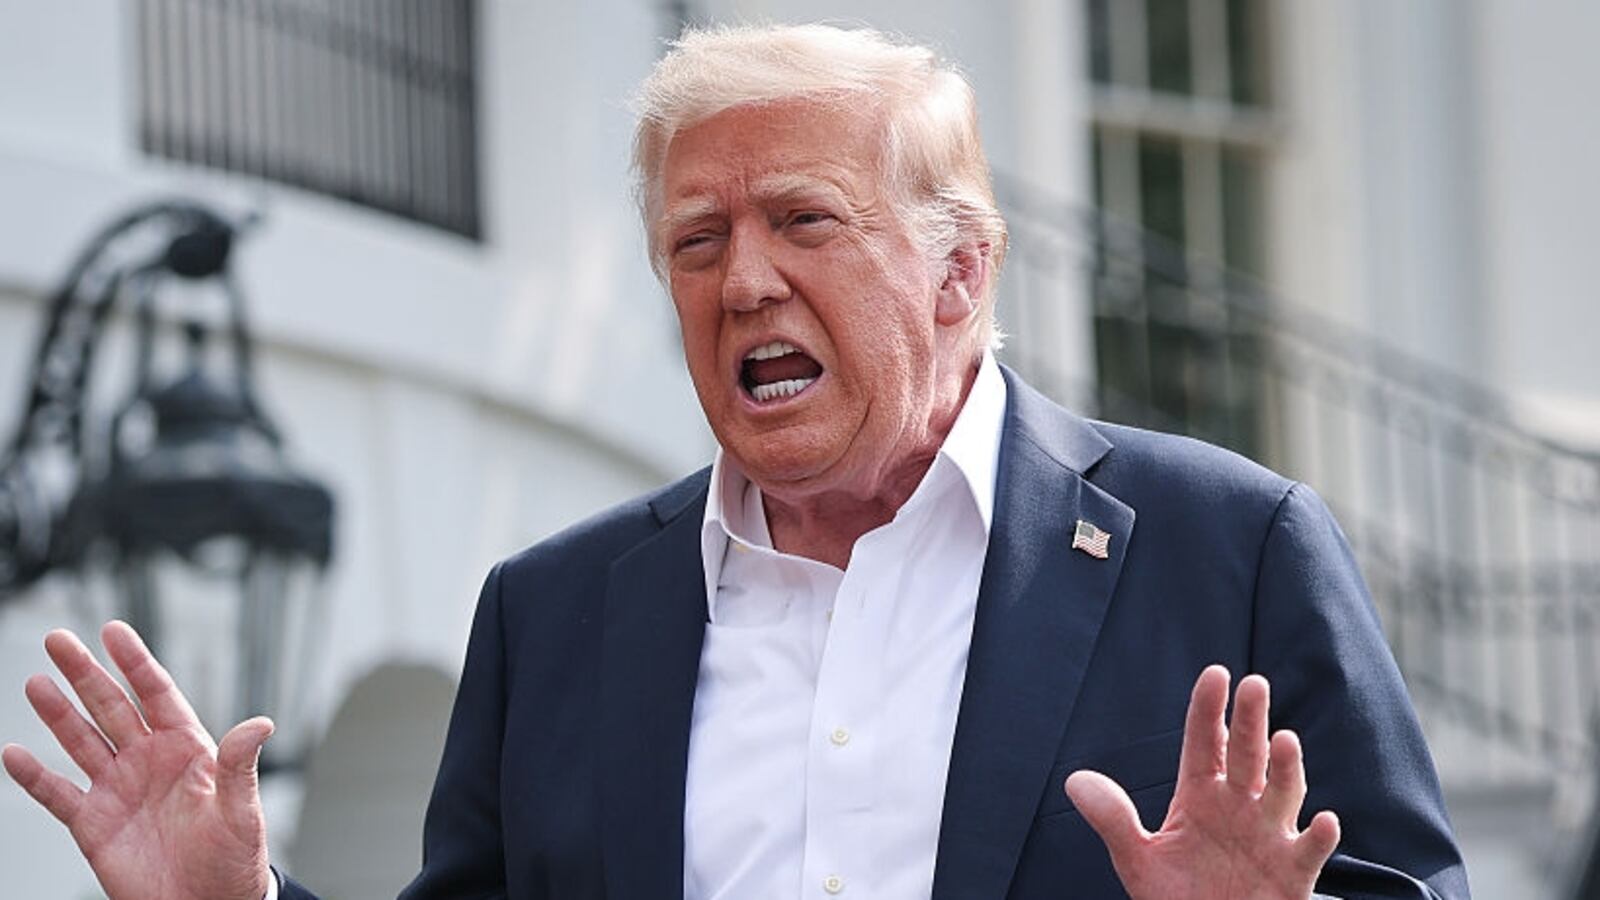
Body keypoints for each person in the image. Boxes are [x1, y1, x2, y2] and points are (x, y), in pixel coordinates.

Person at [3, 23, 1468, 900]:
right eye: (696, 243)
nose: (743, 281)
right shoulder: (557, 614)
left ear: (961, 275)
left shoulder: (1229, 549)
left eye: (804, 222)